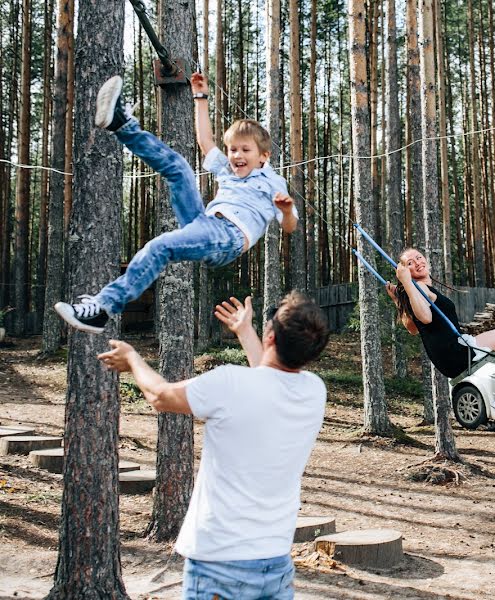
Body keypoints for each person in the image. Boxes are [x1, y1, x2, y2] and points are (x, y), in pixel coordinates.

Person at [98, 292, 328, 600]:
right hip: (274, 561)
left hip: (218, 561)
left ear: (270, 336)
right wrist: (245, 331)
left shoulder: (229, 383)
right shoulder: (314, 391)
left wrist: (133, 359)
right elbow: (268, 378)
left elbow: (161, 396)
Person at [55, 73, 298, 333]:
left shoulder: (273, 181)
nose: (236, 156)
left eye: (245, 150)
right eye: (232, 150)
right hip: (204, 223)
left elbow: (289, 226)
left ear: (263, 156)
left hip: (229, 237)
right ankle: (122, 125)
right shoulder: (228, 169)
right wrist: (200, 97)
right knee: (179, 167)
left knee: (161, 246)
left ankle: (103, 308)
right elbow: (206, 141)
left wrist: (284, 209)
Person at [386, 247, 495, 416]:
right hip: (455, 353)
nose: (417, 263)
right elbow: (425, 319)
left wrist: (398, 301)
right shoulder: (419, 288)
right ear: (405, 272)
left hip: (450, 355)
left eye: (419, 257)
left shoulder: (415, 292)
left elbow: (413, 329)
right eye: (410, 263)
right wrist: (406, 284)